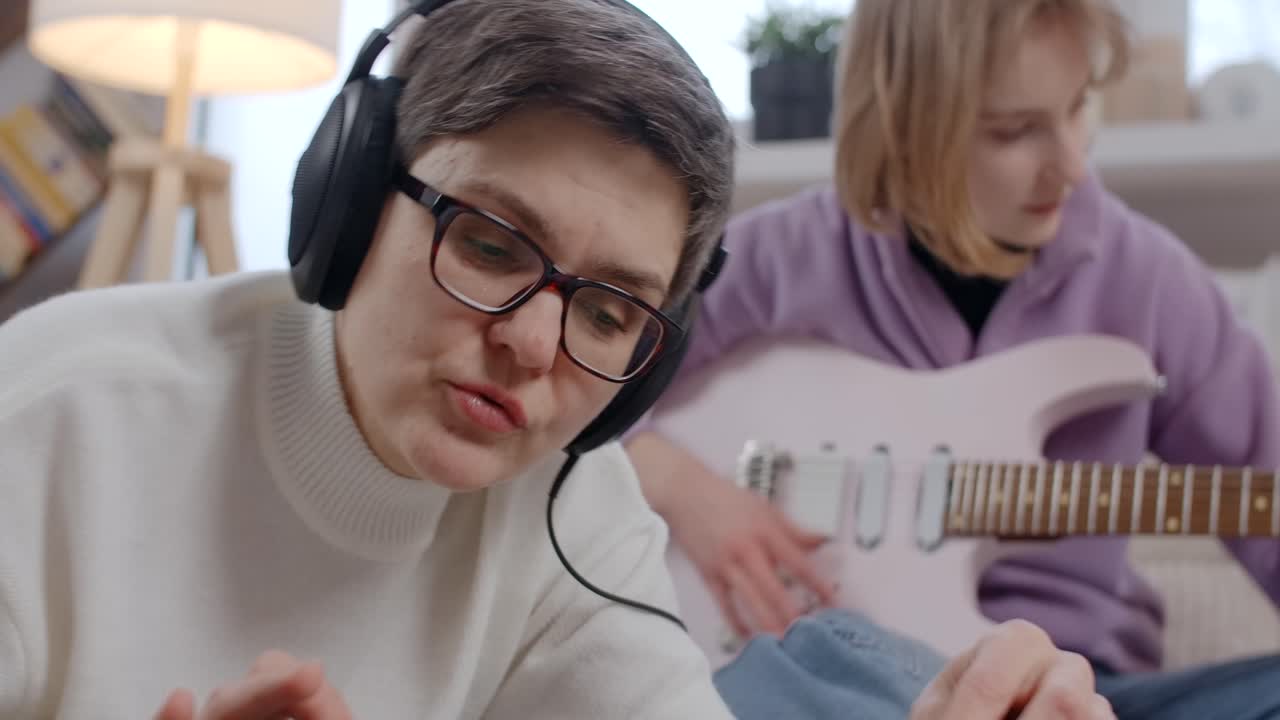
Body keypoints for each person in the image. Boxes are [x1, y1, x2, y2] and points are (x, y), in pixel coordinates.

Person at [0, 1, 1116, 719]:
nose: (533, 346)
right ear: (344, 199)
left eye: (608, 311)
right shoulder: (55, 413)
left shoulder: (574, 511)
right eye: (488, 245)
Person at [625, 0, 1280, 718]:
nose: (1070, 164)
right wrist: (684, 489)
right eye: (1015, 130)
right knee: (811, 659)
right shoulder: (787, 253)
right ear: (905, 131)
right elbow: (585, 383)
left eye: (1077, 107)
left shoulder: (1151, 281)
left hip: (1089, 690)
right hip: (862, 676)